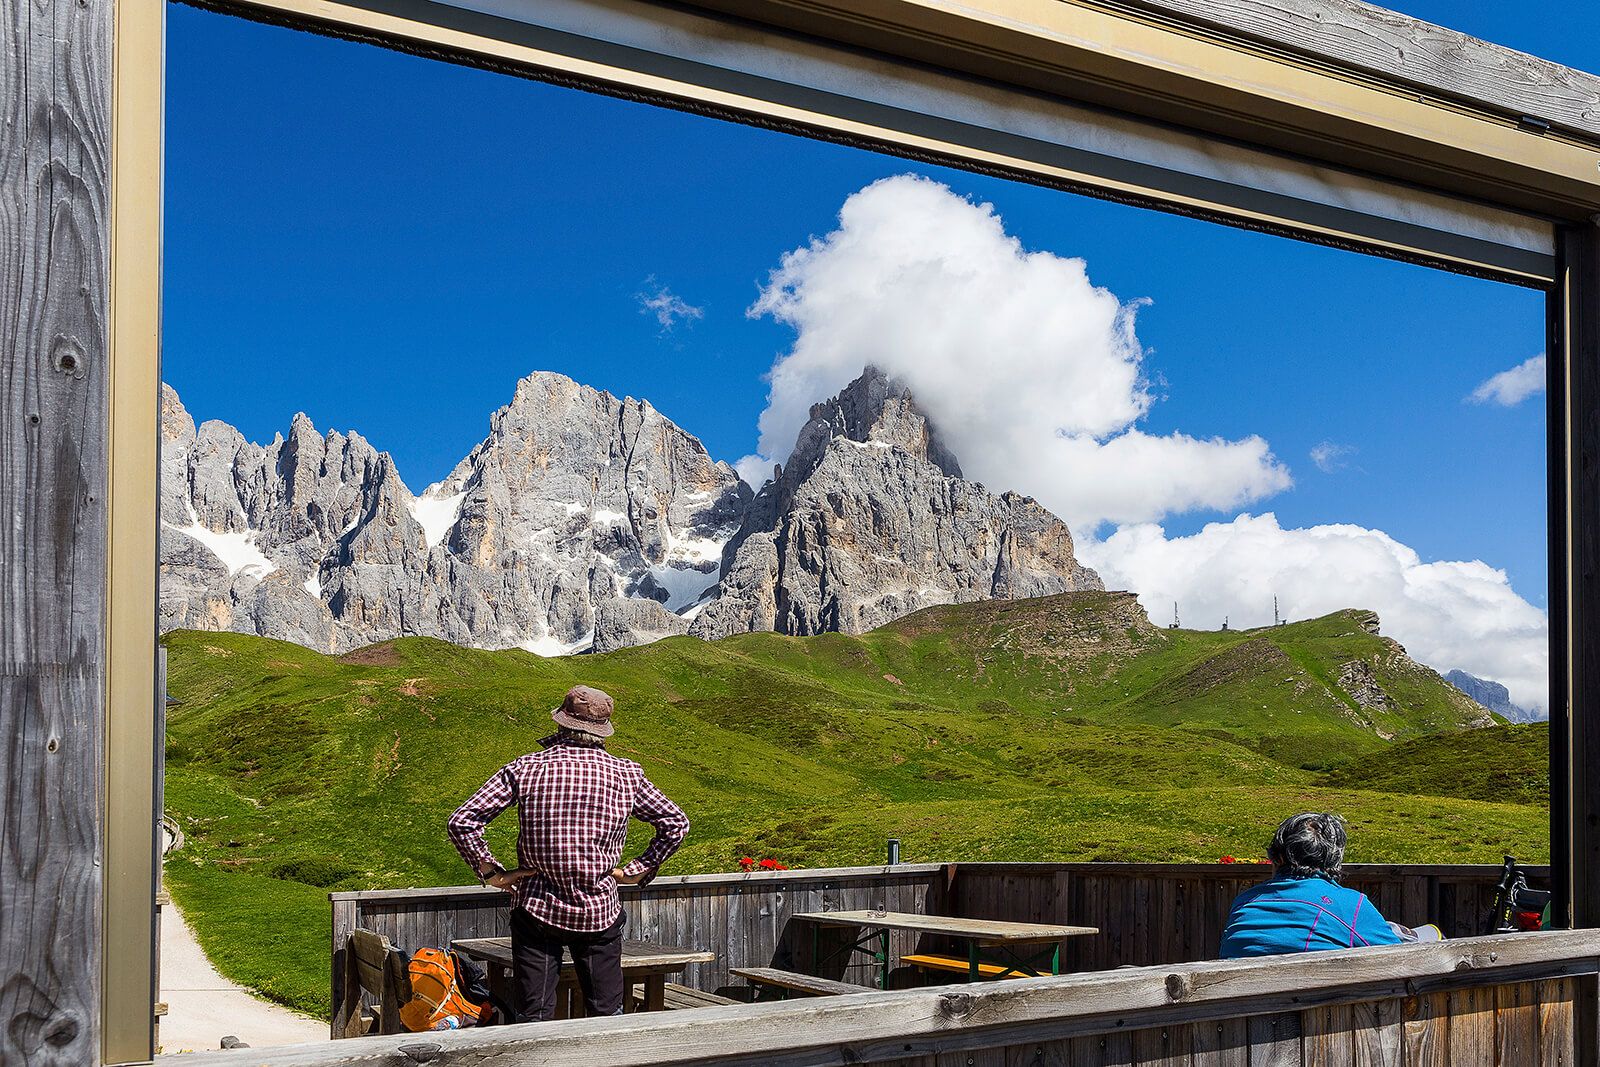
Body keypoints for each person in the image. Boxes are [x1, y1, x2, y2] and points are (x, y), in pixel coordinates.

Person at [447, 684, 689, 1021]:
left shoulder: (525, 769)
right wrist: (639, 868)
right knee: (606, 1014)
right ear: (603, 730)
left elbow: (462, 820)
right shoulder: (627, 774)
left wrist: (492, 873)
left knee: (534, 1016)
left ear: (561, 722)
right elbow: (675, 822)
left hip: (536, 908)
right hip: (599, 910)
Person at [1218, 812, 1403, 958]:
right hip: (1313, 1004)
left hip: (1236, 1004)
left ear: (1277, 859)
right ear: (1335, 861)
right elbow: (1399, 959)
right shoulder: (1350, 905)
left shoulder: (1244, 902)